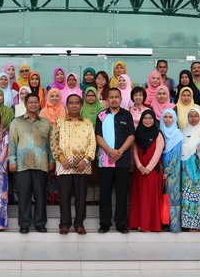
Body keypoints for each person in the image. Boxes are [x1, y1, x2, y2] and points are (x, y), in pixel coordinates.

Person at [50, 94, 96, 234]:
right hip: (64, 164)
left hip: (83, 164)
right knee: (64, 196)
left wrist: (86, 159)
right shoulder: (59, 122)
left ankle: (79, 224)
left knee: (81, 197)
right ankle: (64, 224)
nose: (74, 105)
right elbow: (53, 142)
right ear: (67, 105)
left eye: (77, 103)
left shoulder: (87, 123)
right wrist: (62, 159)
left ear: (81, 105)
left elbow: (92, 142)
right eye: (71, 103)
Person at [9, 93, 53, 234]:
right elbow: (12, 143)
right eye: (30, 102)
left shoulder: (45, 123)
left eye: (36, 102)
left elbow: (50, 144)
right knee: (24, 196)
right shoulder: (16, 122)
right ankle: (24, 224)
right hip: (22, 165)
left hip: (41, 164)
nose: (33, 104)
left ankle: (40, 223)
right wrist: (12, 160)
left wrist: (51, 160)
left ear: (39, 104)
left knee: (40, 195)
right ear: (26, 104)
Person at [95, 88, 135, 233]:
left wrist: (119, 152)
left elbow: (131, 136)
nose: (114, 100)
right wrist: (110, 151)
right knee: (105, 193)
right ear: (107, 99)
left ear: (120, 98)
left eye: (116, 97)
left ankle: (120, 224)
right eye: (111, 97)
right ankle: (104, 223)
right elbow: (98, 136)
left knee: (122, 193)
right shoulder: (101, 116)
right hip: (105, 161)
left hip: (122, 161)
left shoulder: (127, 115)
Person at [128, 110, 164, 232]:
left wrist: (148, 168)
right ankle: (138, 222)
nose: (148, 120)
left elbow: (158, 153)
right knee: (139, 196)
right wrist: (139, 166)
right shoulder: (137, 134)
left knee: (150, 197)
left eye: (150, 118)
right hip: (140, 170)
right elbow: (135, 151)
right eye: (145, 118)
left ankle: (149, 224)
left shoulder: (158, 134)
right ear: (141, 120)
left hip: (152, 170)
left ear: (154, 120)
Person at [160, 109, 183, 232]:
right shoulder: (160, 133)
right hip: (160, 170)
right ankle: (162, 223)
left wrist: (167, 170)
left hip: (173, 172)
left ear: (174, 119)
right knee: (162, 198)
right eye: (165, 117)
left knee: (172, 199)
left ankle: (173, 226)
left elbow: (175, 154)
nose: (168, 119)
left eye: (170, 117)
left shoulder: (178, 134)